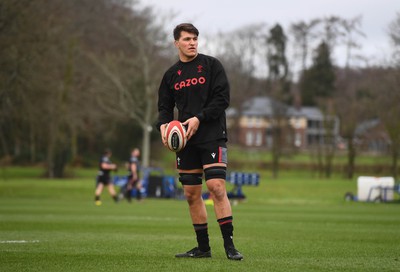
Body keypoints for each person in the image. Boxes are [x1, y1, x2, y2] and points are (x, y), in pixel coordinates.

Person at [157, 23, 243, 261]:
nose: (192, 42)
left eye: (195, 38)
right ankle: (203, 248)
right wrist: (164, 127)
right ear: (176, 43)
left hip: (212, 135)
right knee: (191, 194)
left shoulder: (211, 65)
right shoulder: (171, 75)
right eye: (187, 39)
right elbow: (164, 109)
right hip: (186, 142)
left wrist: (199, 118)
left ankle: (230, 246)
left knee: (216, 187)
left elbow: (222, 99)